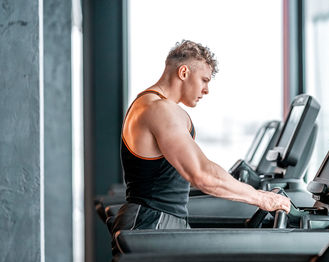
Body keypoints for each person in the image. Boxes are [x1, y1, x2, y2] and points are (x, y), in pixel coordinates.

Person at [112, 40, 290, 238]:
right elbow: (202, 174)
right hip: (152, 222)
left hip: (157, 218)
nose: (206, 90)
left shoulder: (149, 103)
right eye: (204, 80)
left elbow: (195, 170)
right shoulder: (160, 110)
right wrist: (260, 198)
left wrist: (241, 188)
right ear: (184, 73)